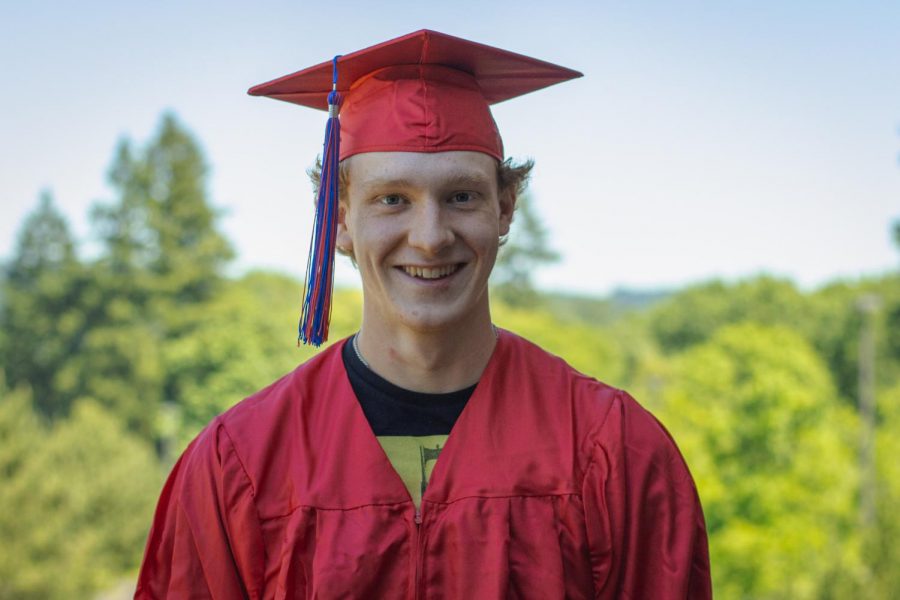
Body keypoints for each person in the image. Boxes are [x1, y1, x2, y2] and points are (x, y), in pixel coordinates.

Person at [135, 30, 712, 599]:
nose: (431, 237)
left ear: (505, 209)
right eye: (392, 199)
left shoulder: (614, 451)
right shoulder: (240, 463)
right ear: (337, 219)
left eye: (461, 196)